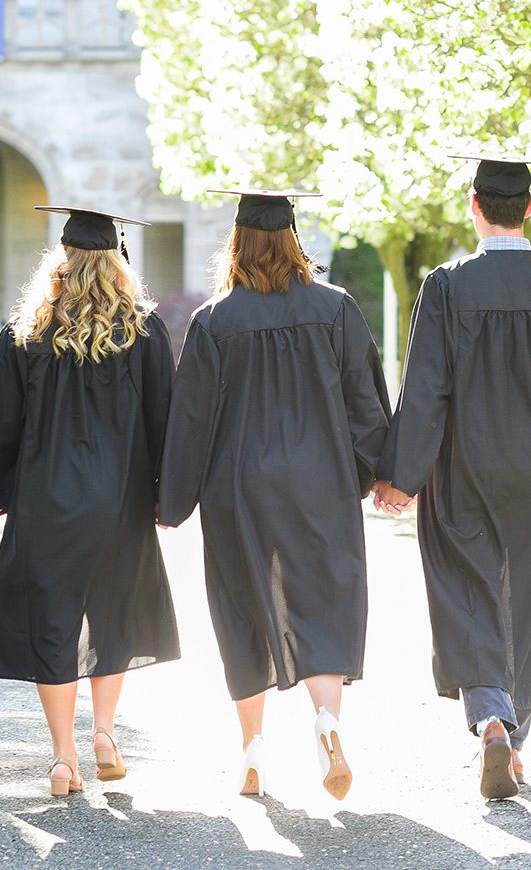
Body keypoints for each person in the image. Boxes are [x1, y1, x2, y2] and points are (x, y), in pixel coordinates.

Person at [372, 153, 531, 801]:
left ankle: (490, 714)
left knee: (469, 586)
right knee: (528, 599)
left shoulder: (447, 286)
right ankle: (512, 744)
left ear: (474, 206)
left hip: (464, 469)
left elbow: (425, 390)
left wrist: (403, 474)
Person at [157, 189, 393, 801]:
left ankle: (254, 749)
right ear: (293, 239)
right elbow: (365, 403)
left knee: (243, 609)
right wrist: (369, 474)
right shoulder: (337, 309)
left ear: (237, 242)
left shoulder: (213, 321)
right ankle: (327, 721)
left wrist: (172, 501)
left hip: (237, 487)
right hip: (320, 483)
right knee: (321, 600)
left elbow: (192, 421)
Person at [0, 206, 179, 798]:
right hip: (119, 500)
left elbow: (0, 426)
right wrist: (166, 496)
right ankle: (105, 734)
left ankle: (63, 756)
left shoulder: (26, 334)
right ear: (117, 262)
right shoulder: (142, 331)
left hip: (45, 502)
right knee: (113, 612)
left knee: (53, 620)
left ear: (61, 262)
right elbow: (165, 421)